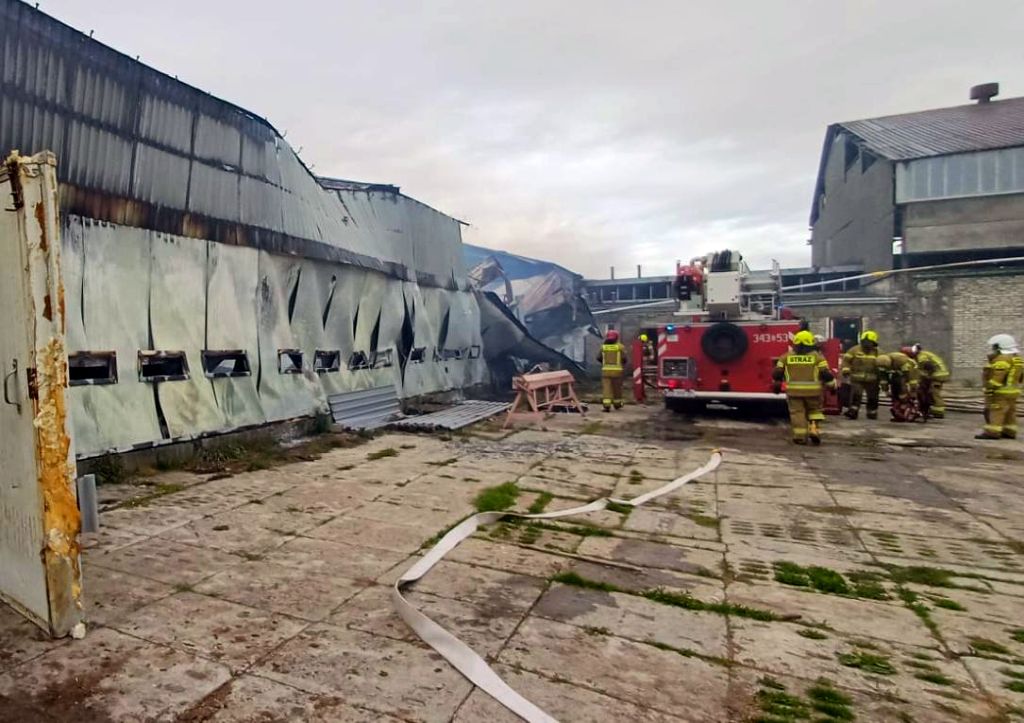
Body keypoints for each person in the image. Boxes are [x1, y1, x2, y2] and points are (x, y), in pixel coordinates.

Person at [772, 330, 836, 445]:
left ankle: (800, 437)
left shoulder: (786, 357)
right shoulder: (818, 357)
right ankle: (814, 430)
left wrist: (776, 386)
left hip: (794, 392)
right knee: (815, 411)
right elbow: (825, 374)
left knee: (797, 413)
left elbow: (777, 374)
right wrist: (832, 386)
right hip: (814, 392)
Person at [976, 334, 1022, 440]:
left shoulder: (1002, 359)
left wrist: (990, 387)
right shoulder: (1016, 358)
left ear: (1000, 346)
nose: (993, 348)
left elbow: (998, 375)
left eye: (994, 346)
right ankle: (1009, 431)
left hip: (1001, 392)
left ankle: (992, 432)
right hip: (1013, 391)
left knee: (996, 411)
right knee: (1010, 412)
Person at [841, 330, 881, 420]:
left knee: (873, 397)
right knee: (856, 395)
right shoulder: (854, 350)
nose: (866, 344)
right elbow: (846, 361)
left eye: (869, 342)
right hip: (856, 378)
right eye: (865, 342)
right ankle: (853, 412)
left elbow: (883, 363)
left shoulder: (878, 352)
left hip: (873, 380)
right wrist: (846, 370)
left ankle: (872, 413)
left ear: (874, 343)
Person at [904, 344, 950, 419]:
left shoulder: (922, 357)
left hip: (937, 375)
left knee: (933, 393)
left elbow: (928, 367)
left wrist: (925, 377)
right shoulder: (924, 354)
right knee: (929, 392)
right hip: (940, 374)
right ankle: (932, 410)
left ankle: (938, 412)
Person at [877, 350, 921, 422]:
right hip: (898, 373)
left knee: (902, 389)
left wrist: (912, 389)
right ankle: (899, 410)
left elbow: (911, 377)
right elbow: (883, 379)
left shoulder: (903, 362)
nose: (885, 369)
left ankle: (908, 407)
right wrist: (885, 390)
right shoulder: (882, 363)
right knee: (895, 385)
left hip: (911, 371)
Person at [598, 329, 628, 412]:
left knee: (606, 389)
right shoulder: (620, 347)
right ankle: (617, 404)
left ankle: (606, 406)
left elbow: (599, 358)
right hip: (617, 372)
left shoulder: (603, 347)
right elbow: (624, 359)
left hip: (605, 371)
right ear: (617, 338)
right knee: (617, 388)